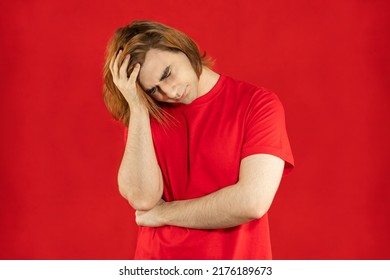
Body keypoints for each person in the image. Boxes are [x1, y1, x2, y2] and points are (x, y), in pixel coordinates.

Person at [103, 20, 294, 260]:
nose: (170, 92)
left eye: (167, 73)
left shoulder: (257, 104)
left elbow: (252, 202)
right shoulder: (147, 116)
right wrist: (137, 108)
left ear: (181, 47)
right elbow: (142, 198)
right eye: (153, 89)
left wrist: (163, 214)